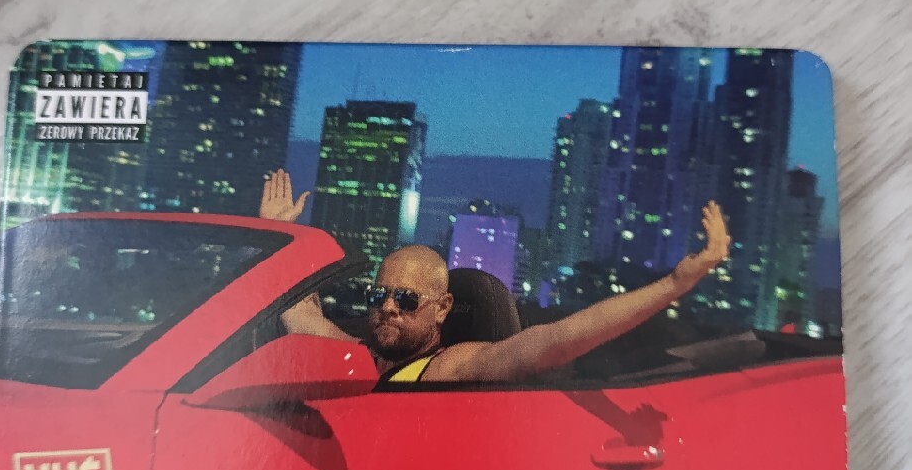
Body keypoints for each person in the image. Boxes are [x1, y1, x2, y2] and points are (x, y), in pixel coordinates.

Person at [259, 169, 731, 385]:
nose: (386, 308)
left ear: (442, 308)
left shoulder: (449, 368)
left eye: (405, 299)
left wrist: (674, 285)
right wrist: (278, 233)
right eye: (378, 294)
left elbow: (560, 339)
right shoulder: (360, 356)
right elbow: (299, 312)